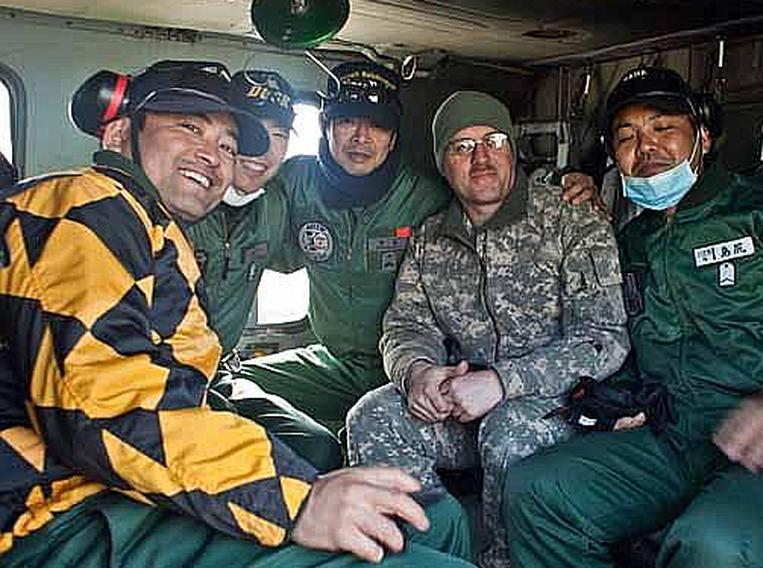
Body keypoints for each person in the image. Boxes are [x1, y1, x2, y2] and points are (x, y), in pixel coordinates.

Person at [0, 59, 473, 568]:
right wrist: (296, 498)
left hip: (130, 483)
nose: (214, 155)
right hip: (59, 512)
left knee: (434, 518)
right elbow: (107, 409)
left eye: (228, 144)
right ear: (119, 132)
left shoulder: (152, 228)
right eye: (189, 127)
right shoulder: (85, 208)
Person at [504, 66, 763, 568]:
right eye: (626, 137)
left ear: (704, 136)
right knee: (536, 490)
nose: (644, 147)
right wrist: (619, 398)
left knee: (716, 543)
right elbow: (625, 337)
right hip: (673, 438)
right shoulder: (632, 243)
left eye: (662, 128)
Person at [224, 61, 599, 437]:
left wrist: (567, 183)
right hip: (333, 363)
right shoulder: (294, 183)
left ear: (393, 136)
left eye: (377, 125)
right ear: (326, 126)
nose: (360, 137)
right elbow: (253, 227)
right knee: (231, 384)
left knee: (372, 422)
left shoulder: (427, 196)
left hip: (406, 367)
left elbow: (490, 189)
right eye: (347, 121)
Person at [346, 90, 630, 568]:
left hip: (561, 404)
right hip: (464, 402)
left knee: (507, 432)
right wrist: (417, 373)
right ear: (443, 163)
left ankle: (503, 561)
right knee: (371, 416)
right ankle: (430, 553)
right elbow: (406, 322)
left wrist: (502, 382)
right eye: (462, 146)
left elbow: (604, 338)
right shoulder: (431, 238)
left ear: (511, 149)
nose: (481, 158)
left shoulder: (570, 217)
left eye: (494, 140)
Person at [186, 69, 342, 472]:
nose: (263, 150)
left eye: (279, 135)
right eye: (250, 131)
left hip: (218, 377)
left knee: (318, 449)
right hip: (160, 383)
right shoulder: (178, 201)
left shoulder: (273, 207)